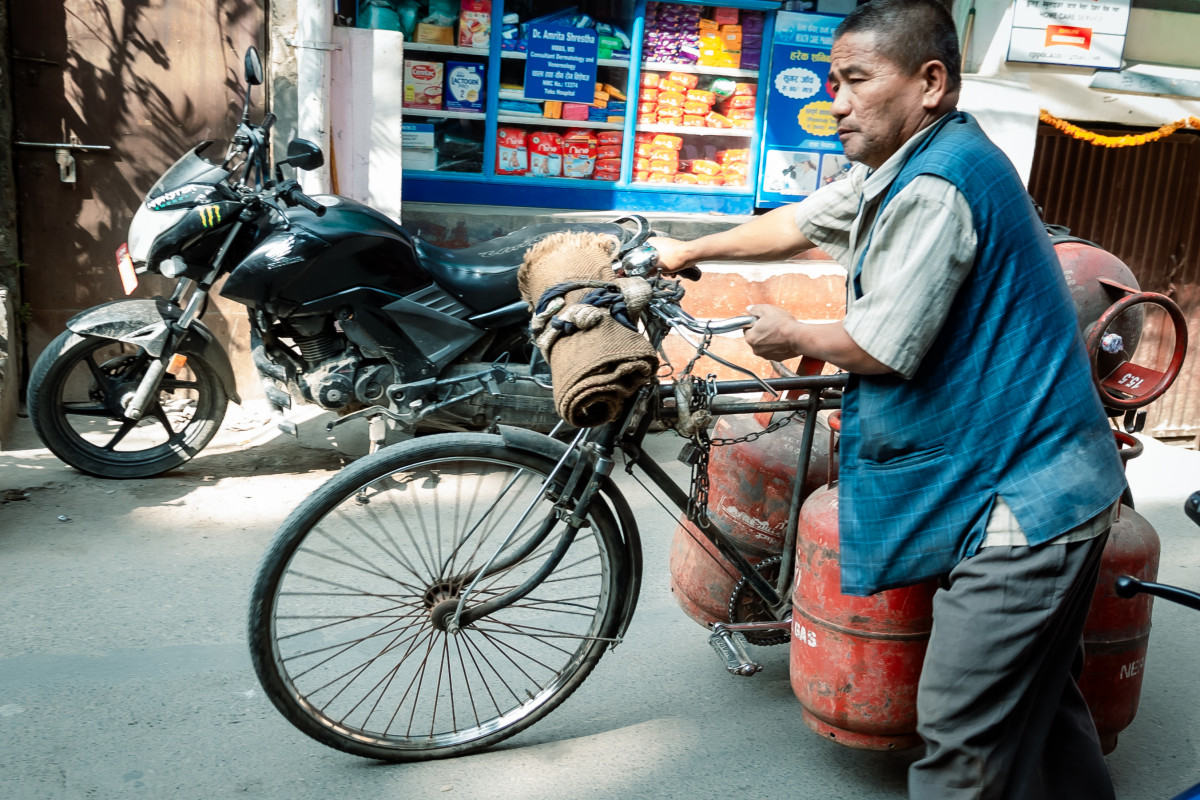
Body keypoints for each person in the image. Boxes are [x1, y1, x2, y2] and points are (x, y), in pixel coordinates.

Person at [649, 1, 1127, 798]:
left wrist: (791, 331)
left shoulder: (937, 185)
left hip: (1027, 502)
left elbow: (880, 345)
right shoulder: (913, 162)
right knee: (1045, 719)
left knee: (960, 739)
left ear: (929, 82)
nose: (835, 101)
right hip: (1052, 479)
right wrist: (688, 249)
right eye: (832, 82)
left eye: (856, 80)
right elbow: (800, 223)